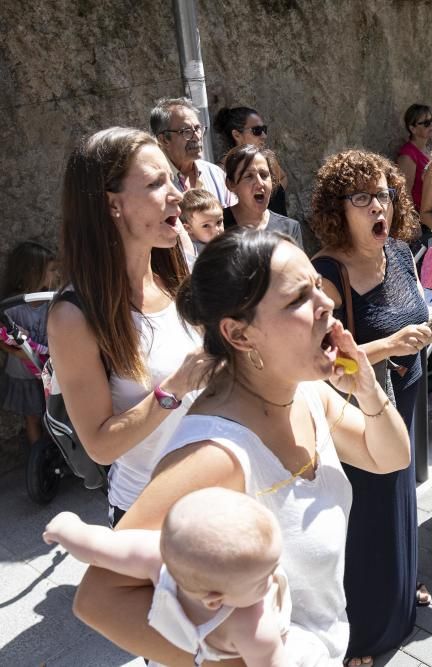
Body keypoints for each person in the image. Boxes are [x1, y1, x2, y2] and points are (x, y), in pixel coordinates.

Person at [73, 229, 411, 665]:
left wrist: (366, 388)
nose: (326, 302)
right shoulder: (215, 454)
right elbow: (99, 597)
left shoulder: (305, 392)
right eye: (298, 299)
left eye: (316, 286)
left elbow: (391, 457)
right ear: (239, 334)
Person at [310, 150, 432, 665]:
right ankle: (364, 632)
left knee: (403, 498)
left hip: (406, 394)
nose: (379, 207)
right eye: (362, 198)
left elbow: (417, 331)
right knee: (366, 518)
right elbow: (319, 362)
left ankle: (401, 589)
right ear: (338, 209)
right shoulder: (326, 271)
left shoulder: (399, 252)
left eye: (385, 195)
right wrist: (387, 346)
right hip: (355, 411)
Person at [47, 127, 206, 524]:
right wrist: (175, 387)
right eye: (155, 183)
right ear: (112, 205)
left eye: (172, 178)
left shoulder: (179, 263)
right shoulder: (73, 316)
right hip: (151, 517)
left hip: (223, 492)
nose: (178, 195)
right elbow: (100, 445)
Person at [44, 489, 323, 667]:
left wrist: (66, 528)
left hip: (180, 650)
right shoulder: (254, 625)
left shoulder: (159, 558)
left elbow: (97, 547)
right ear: (215, 600)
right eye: (262, 579)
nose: (274, 576)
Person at [0, 241, 57, 445]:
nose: (54, 276)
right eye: (50, 270)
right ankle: (38, 458)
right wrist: (15, 353)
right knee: (32, 417)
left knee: (52, 414)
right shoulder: (11, 306)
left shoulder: (50, 301)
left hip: (47, 370)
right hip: (23, 373)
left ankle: (55, 452)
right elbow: (2, 336)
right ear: (34, 272)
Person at [151, 97, 234, 207]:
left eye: (197, 128)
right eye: (186, 131)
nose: (196, 136)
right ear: (164, 139)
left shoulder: (215, 174)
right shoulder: (153, 184)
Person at [221, 145, 303, 248]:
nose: (260, 183)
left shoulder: (290, 229)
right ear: (231, 184)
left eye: (264, 175)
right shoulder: (216, 225)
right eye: (249, 176)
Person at [213, 105, 287, 215]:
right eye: (257, 130)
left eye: (264, 130)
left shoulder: (266, 160)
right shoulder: (220, 171)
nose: (264, 135)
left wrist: (271, 198)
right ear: (237, 135)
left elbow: (283, 177)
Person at [396, 104, 432, 213]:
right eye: (426, 123)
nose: (431, 125)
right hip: (420, 217)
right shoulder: (408, 155)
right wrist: (413, 222)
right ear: (412, 128)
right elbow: (405, 192)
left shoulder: (428, 150)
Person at [179, 189, 224, 262]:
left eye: (219, 222)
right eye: (206, 225)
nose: (216, 230)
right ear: (188, 228)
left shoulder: (226, 243)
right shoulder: (191, 255)